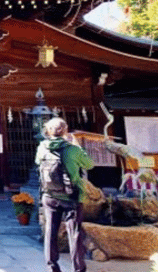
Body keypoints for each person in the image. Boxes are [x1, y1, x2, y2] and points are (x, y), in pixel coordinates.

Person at [35, 117, 95, 272]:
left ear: (48, 131)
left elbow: (38, 162)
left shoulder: (42, 147)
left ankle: (52, 267)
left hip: (49, 195)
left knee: (50, 231)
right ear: (65, 130)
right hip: (71, 196)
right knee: (74, 233)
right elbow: (89, 164)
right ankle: (78, 268)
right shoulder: (72, 149)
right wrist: (76, 144)